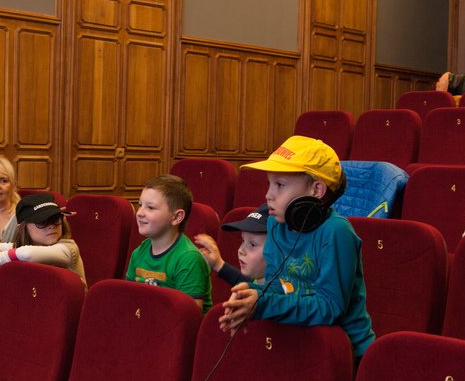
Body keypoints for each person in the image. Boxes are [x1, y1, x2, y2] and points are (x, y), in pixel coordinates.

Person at [218, 135, 375, 361]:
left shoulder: (337, 232)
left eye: (280, 185)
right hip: (299, 342)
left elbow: (330, 307)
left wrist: (262, 303)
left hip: (346, 354)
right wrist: (248, 297)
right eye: (269, 184)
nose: (268, 195)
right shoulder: (275, 225)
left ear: (317, 190)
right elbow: (277, 287)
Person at [126, 174, 212, 314]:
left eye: (151, 207)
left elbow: (189, 317)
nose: (140, 213)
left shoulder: (189, 258)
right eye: (140, 205)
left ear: (177, 217)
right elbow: (128, 299)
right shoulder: (138, 253)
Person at [0, 192, 87, 295]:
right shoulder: (17, 249)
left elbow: (28, 254)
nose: (51, 226)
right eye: (42, 221)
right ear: (23, 227)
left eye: (55, 219)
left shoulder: (69, 248)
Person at [194, 203, 268, 286]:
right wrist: (218, 264)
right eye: (243, 240)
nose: (241, 250)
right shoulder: (260, 281)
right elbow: (247, 282)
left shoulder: (278, 292)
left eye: (253, 244)